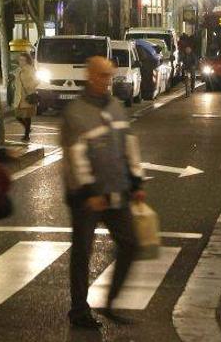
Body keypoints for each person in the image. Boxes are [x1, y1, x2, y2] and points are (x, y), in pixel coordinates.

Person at [61, 56, 145, 329]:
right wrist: (88, 192)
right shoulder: (76, 112)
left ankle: (110, 302)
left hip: (117, 189)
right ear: (89, 75)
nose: (105, 81)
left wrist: (136, 181)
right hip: (87, 197)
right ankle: (78, 310)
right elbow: (75, 157)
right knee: (82, 252)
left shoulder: (116, 106)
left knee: (131, 243)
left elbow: (128, 144)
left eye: (109, 76)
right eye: (101, 75)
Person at [13, 52, 38, 142]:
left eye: (23, 60)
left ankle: (26, 135)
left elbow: (37, 81)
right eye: (20, 59)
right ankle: (28, 129)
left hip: (27, 95)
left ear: (27, 60)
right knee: (17, 115)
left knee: (27, 116)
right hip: (19, 96)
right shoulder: (18, 70)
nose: (21, 61)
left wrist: (29, 86)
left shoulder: (30, 69)